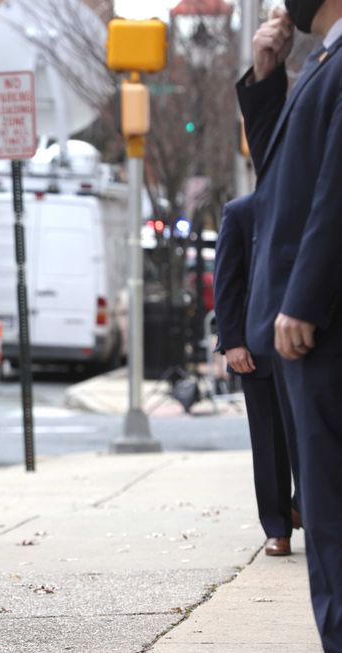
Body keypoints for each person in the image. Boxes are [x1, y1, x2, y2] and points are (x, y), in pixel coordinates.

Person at [238, 1, 342, 648]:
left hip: (321, 326)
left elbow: (334, 190)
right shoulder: (325, 62)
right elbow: (284, 177)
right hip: (310, 326)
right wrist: (268, 75)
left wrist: (301, 298)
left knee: (329, 506)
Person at [213, 193, 301, 557]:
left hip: (312, 345)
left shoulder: (314, 200)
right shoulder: (240, 212)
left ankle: (305, 507)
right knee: (269, 444)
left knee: (317, 439)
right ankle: (277, 528)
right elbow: (227, 282)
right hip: (258, 349)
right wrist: (232, 342)